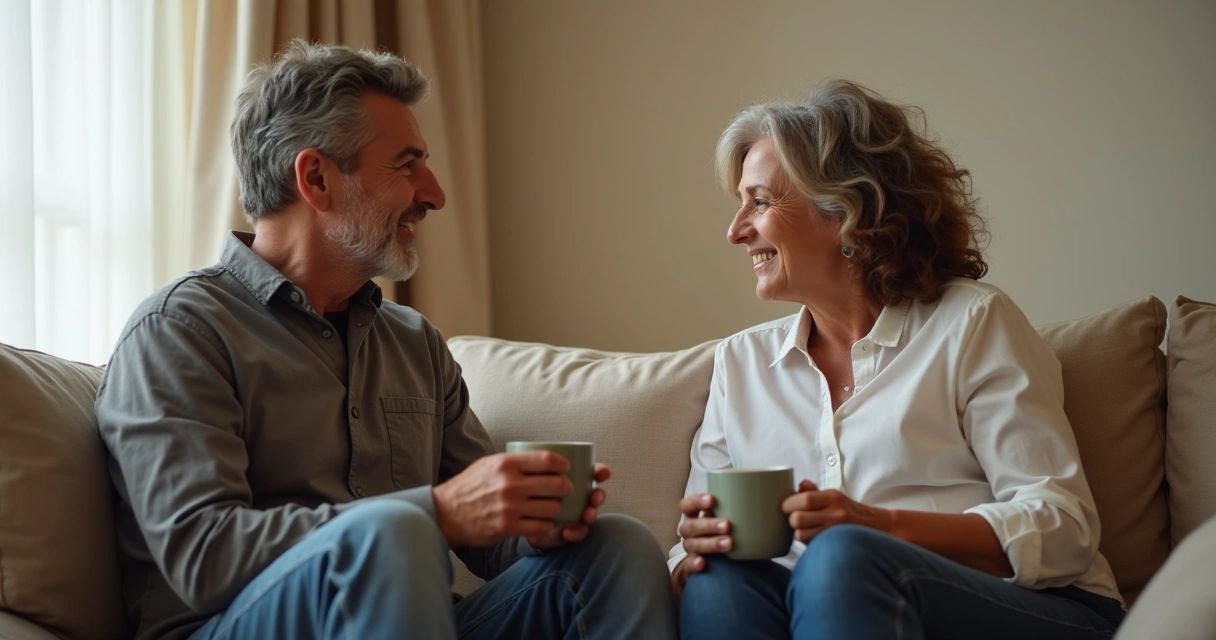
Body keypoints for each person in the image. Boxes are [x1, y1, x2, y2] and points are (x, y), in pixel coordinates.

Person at [96, 40, 677, 640]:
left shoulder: (414, 343)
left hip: (413, 621)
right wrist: (434, 514)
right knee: (393, 531)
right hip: (233, 626)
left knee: (618, 547)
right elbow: (204, 555)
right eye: (407, 165)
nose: (434, 193)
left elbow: (491, 542)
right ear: (316, 178)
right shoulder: (181, 333)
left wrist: (535, 522)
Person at [669, 80, 1127, 639]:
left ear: (844, 210)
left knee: (840, 558)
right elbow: (686, 554)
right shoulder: (741, 364)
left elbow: (1063, 529)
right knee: (717, 578)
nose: (736, 231)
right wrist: (692, 550)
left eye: (760, 202)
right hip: (819, 612)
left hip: (1031, 609)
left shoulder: (972, 323)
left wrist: (875, 527)